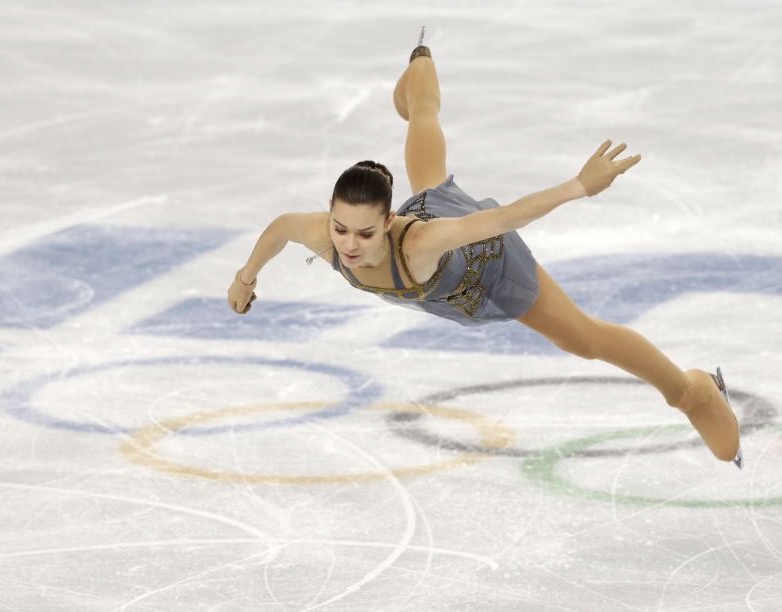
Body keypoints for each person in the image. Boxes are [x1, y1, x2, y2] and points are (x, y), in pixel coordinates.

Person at [227, 39, 742, 468]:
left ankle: (690, 393)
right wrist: (245, 279)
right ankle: (420, 69)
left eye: (364, 234)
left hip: (487, 263)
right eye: (340, 230)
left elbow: (500, 219)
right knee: (426, 148)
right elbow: (278, 230)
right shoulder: (325, 232)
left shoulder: (421, 242)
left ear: (387, 223)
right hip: (437, 233)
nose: (350, 246)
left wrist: (580, 186)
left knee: (583, 339)